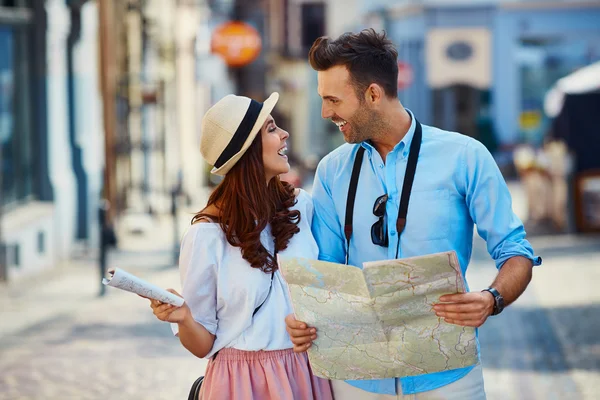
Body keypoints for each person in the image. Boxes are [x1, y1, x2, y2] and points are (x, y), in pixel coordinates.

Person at [285, 29, 542, 399]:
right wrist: (304, 317)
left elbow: (516, 251)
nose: (326, 112)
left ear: (373, 94)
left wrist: (492, 299)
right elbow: (324, 270)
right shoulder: (331, 170)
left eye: (333, 100)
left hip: (448, 375)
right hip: (358, 379)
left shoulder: (465, 156)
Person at [144, 92, 333, 399]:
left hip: (306, 373)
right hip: (239, 383)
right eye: (271, 129)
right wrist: (184, 318)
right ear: (247, 152)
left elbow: (328, 289)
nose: (284, 134)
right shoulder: (206, 236)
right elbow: (202, 346)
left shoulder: (302, 207)